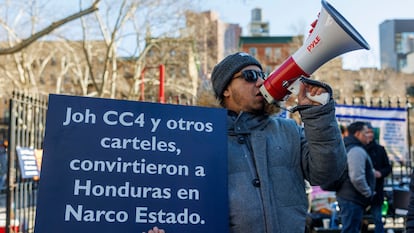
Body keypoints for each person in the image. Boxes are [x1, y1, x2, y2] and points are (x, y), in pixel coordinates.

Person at [147, 51, 347, 232]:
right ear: (225, 89)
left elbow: (328, 175)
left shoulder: (288, 130)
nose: (261, 82)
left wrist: (318, 116)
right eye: (250, 76)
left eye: (262, 76)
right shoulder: (202, 140)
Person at [336, 121, 376, 233]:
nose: (368, 135)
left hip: (349, 196)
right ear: (358, 134)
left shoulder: (349, 147)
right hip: (352, 198)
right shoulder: (356, 150)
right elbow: (357, 177)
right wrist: (368, 192)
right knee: (351, 229)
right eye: (365, 133)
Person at [364, 123, 392, 233]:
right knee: (359, 220)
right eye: (367, 132)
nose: (369, 135)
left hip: (377, 189)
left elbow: (388, 167)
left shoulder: (380, 149)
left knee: (377, 218)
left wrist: (380, 173)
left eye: (371, 132)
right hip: (362, 190)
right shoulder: (359, 148)